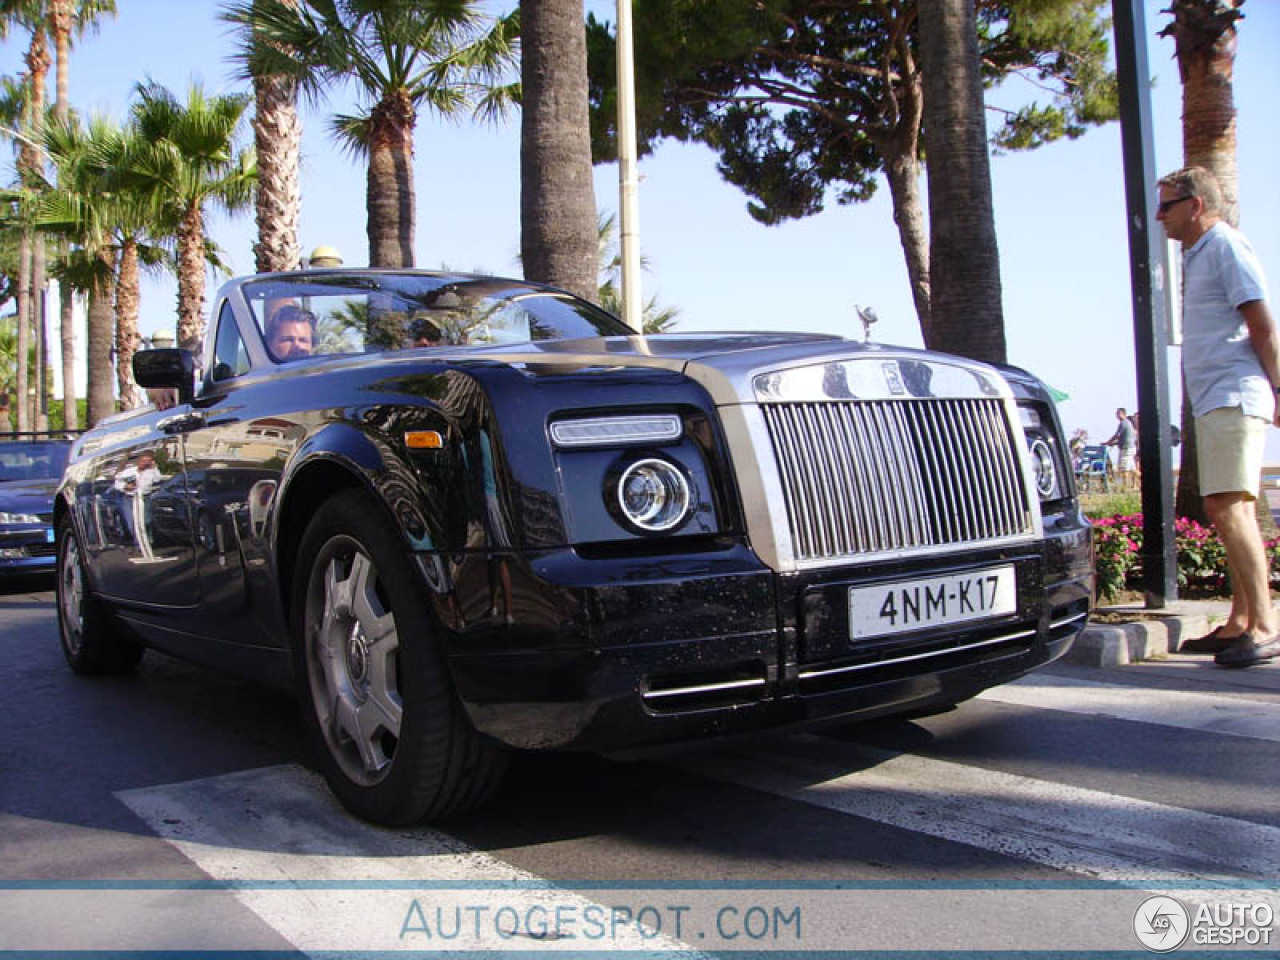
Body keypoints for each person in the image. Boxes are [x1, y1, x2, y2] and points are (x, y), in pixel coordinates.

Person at [1157, 166, 1280, 667]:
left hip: (1234, 392)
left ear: (1196, 205)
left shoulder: (1226, 245)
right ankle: (1238, 622)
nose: (1159, 215)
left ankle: (1265, 626)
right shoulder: (1201, 253)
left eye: (1167, 205)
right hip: (1215, 396)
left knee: (1228, 508)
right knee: (1233, 511)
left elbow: (1260, 321)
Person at [1103, 407, 1138, 490]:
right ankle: (1136, 485)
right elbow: (1123, 438)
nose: (1117, 416)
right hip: (1130, 448)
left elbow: (1117, 435)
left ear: (1123, 414)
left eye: (1118, 414)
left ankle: (1125, 487)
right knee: (1132, 468)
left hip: (1126, 449)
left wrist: (1108, 442)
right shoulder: (1128, 423)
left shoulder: (1123, 423)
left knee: (1124, 468)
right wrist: (1112, 443)